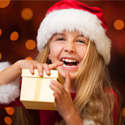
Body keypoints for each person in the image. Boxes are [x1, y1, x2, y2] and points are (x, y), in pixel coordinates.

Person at [0, 0, 121, 125]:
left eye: (80, 41)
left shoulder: (106, 98)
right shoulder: (36, 84)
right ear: (48, 53)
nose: (69, 48)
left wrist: (69, 113)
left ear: (93, 56)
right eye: (61, 39)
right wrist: (18, 67)